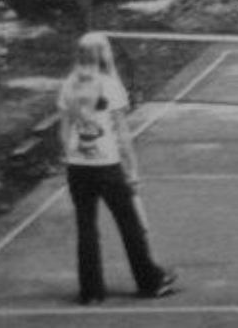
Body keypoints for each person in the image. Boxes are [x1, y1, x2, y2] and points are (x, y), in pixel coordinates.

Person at [57, 32, 177, 305]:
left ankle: (91, 291)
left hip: (78, 168)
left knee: (86, 228)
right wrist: (132, 169)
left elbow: (63, 130)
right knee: (129, 224)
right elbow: (123, 135)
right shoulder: (110, 85)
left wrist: (69, 157)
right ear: (104, 54)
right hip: (107, 166)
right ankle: (150, 280)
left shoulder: (67, 85)